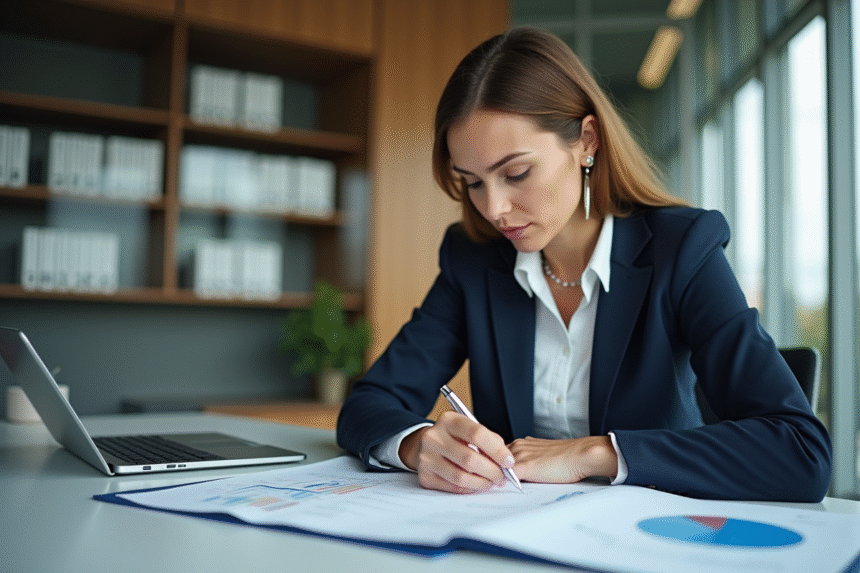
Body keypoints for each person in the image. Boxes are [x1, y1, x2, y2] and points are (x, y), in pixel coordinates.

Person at [336, 26, 832, 501]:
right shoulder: (474, 259)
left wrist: (596, 453)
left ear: (587, 142)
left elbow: (800, 451)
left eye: (516, 172)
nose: (493, 208)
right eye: (472, 181)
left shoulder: (681, 250)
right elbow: (369, 404)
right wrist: (418, 444)